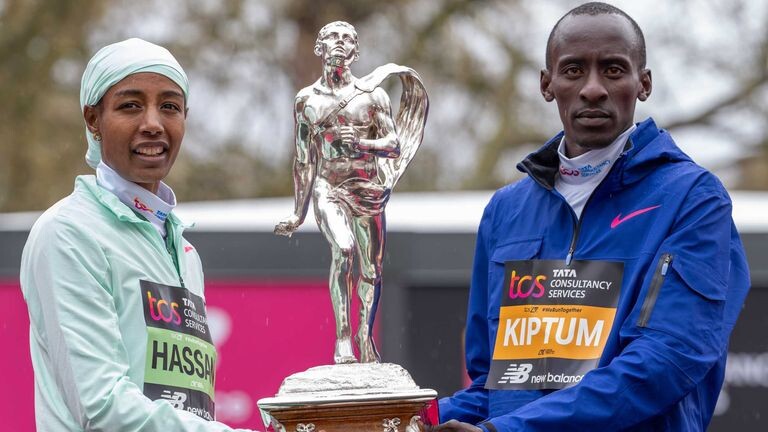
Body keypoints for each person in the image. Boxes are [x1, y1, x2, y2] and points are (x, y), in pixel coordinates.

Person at [433, 3, 750, 431]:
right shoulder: (505, 211)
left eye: (614, 70)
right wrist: (394, 419)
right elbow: (493, 389)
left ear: (643, 83)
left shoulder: (693, 199)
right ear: (547, 84)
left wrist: (509, 429)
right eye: (574, 70)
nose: (593, 88)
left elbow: (663, 363)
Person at [20, 38, 256, 431]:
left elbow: (186, 408)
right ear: (93, 120)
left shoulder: (183, 249)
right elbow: (103, 407)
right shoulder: (69, 233)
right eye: (130, 105)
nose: (153, 123)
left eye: (170, 107)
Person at [274, 21, 427, 364]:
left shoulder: (373, 96)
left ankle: (364, 334)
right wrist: (297, 213)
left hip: (367, 189)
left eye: (347, 39)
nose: (340, 43)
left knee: (372, 270)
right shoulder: (306, 101)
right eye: (332, 37)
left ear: (356, 52)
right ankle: (343, 339)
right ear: (320, 47)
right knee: (343, 250)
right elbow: (304, 159)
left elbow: (394, 144)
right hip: (328, 188)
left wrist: (361, 143)